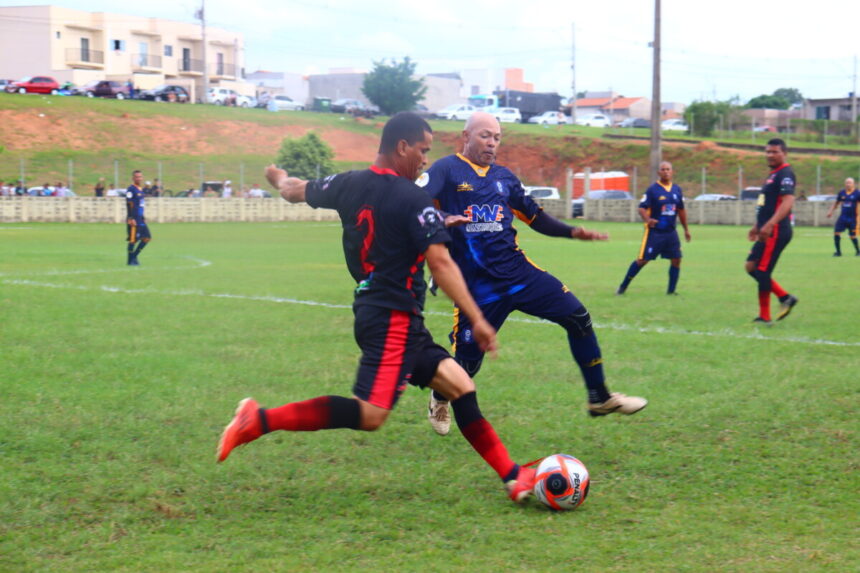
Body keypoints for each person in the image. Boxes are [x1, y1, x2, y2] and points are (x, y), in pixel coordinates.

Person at [216, 112, 537, 504]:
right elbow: (441, 264)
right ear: (402, 147)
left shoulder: (348, 183)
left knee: (461, 387)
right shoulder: (413, 198)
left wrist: (278, 179)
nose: (424, 160)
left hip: (391, 314)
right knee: (370, 415)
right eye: (421, 150)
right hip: (392, 318)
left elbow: (294, 190)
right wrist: (477, 318)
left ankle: (512, 476)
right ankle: (257, 420)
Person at [416, 111, 647, 435]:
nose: (492, 142)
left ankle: (599, 397)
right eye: (485, 135)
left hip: (520, 274)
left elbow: (536, 218)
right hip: (477, 288)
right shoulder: (446, 170)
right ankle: (441, 395)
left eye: (497, 137)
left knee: (578, 317)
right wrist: (440, 216)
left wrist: (573, 232)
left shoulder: (505, 178)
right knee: (467, 364)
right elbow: (414, 202)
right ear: (465, 137)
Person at [616, 161, 691, 295]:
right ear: (659, 172)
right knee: (642, 260)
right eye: (663, 169)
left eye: (668, 169)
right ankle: (622, 287)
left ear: (672, 172)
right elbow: (641, 208)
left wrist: (686, 229)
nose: (666, 172)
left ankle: (671, 291)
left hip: (671, 232)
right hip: (655, 233)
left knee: (676, 259)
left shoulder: (677, 190)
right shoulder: (653, 190)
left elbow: (681, 210)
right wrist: (648, 220)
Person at [745, 138, 798, 324]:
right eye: (768, 151)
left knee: (762, 271)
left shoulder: (785, 173)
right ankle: (785, 297)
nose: (770, 155)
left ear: (784, 153)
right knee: (751, 267)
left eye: (775, 152)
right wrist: (757, 225)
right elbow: (766, 203)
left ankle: (765, 316)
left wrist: (769, 224)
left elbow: (788, 201)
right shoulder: (773, 174)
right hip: (765, 229)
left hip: (775, 231)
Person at [825, 177, 860, 257]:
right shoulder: (842, 193)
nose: (848, 184)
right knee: (836, 233)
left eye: (850, 183)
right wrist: (830, 212)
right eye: (847, 183)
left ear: (853, 184)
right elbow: (836, 203)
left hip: (853, 218)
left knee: (852, 236)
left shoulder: (857, 193)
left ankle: (858, 251)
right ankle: (838, 252)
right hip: (843, 217)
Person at [125, 170, 152, 266]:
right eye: (136, 177)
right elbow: (129, 203)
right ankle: (130, 261)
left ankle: (134, 257)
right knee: (133, 240)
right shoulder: (130, 189)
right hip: (134, 219)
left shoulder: (140, 189)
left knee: (147, 238)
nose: (139, 178)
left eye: (140, 176)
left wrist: (143, 216)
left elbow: (140, 205)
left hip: (140, 219)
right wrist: (130, 218)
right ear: (133, 178)